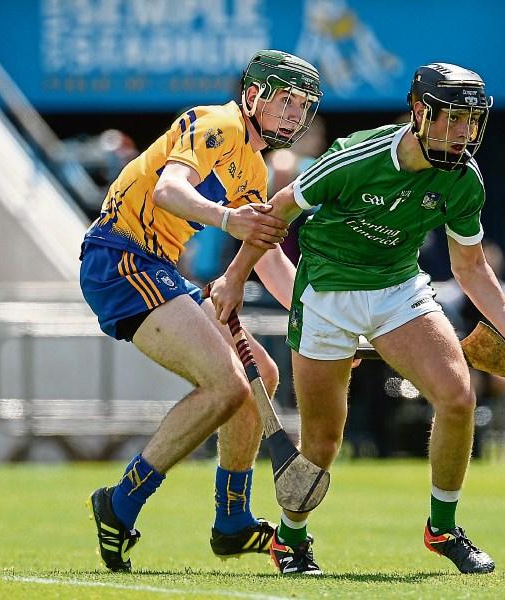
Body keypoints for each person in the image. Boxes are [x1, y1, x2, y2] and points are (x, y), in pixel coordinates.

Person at [211, 62, 505, 575]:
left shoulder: (464, 180)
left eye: (472, 121)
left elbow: (471, 267)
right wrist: (234, 278)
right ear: (421, 113)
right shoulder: (356, 156)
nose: (465, 133)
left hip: (399, 289)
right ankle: (290, 540)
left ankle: (442, 527)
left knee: (457, 395)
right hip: (326, 296)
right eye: (455, 119)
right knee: (322, 442)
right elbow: (279, 210)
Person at [79, 50, 321, 571]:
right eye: (284, 99)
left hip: (157, 266)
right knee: (229, 384)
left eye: (302, 106)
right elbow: (169, 190)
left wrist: (317, 309)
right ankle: (120, 504)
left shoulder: (253, 166)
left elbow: (268, 253)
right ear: (254, 94)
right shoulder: (216, 122)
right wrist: (230, 220)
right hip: (120, 257)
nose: (292, 115)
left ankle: (231, 520)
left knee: (265, 376)